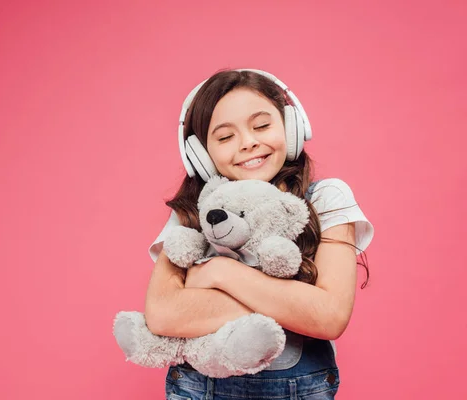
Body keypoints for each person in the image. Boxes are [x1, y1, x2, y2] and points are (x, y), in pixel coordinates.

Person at [144, 69, 374, 400]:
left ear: (291, 128)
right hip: (197, 390)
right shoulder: (193, 210)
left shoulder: (326, 199)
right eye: (225, 137)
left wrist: (220, 273)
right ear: (201, 155)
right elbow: (163, 314)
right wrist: (292, 302)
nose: (249, 142)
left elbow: (329, 317)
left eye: (262, 126)